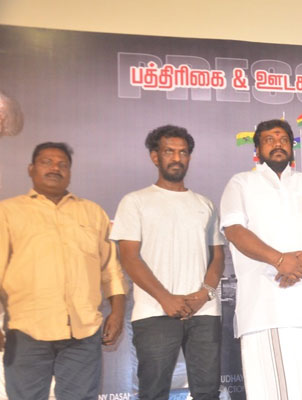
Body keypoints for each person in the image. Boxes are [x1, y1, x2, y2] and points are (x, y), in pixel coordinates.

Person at [219, 119, 302, 399]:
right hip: (266, 309)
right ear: (257, 149)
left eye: (283, 139)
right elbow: (234, 230)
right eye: (269, 140)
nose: (277, 144)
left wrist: (301, 262)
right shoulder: (241, 183)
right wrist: (278, 261)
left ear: (292, 147)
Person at [0, 142, 126, 399]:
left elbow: (110, 269)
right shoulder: (7, 212)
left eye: (62, 164)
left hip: (83, 332)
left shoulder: (93, 213)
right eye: (47, 162)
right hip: (27, 332)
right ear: (31, 169)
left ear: (69, 172)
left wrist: (118, 312)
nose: (55, 168)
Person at [110, 125, 225, 400]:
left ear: (189, 157)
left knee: (208, 392)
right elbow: (129, 257)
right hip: (155, 312)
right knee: (153, 392)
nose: (177, 158)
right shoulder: (135, 202)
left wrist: (205, 294)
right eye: (169, 151)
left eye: (183, 152)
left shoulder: (205, 204)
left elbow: (218, 256)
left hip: (204, 312)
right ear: (155, 157)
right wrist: (165, 298)